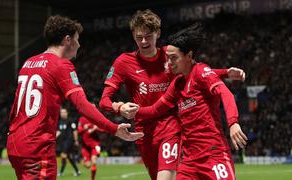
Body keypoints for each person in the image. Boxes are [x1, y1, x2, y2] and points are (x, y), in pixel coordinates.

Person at [99, 9, 245, 180]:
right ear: (133, 36)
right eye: (139, 37)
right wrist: (119, 107)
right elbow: (105, 101)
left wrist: (225, 73)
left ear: (158, 33)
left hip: (172, 127)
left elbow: (197, 71)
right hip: (144, 132)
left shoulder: (170, 54)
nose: (144, 41)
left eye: (148, 36)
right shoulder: (124, 62)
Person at [6, 15, 143, 180]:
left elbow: (16, 108)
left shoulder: (28, 63)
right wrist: (114, 129)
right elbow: (82, 105)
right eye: (77, 39)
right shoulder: (61, 65)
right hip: (36, 146)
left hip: (15, 142)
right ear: (67, 40)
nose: (79, 45)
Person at [135, 23, 248, 179]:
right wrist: (130, 111)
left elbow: (225, 93)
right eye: (168, 58)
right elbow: (155, 110)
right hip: (189, 162)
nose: (169, 63)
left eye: (174, 58)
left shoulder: (201, 72)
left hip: (213, 155)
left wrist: (233, 123)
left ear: (188, 56)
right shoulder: (177, 84)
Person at [78, 113, 103, 180]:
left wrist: (97, 128)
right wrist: (84, 128)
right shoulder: (82, 119)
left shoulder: (97, 118)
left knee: (94, 162)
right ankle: (83, 161)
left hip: (95, 144)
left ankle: (92, 179)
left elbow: (104, 129)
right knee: (88, 165)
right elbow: (79, 131)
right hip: (85, 145)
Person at [56, 107, 80, 176]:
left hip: (69, 141)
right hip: (62, 142)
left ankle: (61, 172)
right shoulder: (60, 122)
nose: (62, 114)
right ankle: (77, 171)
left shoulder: (70, 121)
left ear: (67, 113)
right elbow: (59, 131)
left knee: (63, 155)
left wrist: (76, 140)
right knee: (69, 157)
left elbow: (75, 131)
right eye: (61, 112)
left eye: (64, 112)